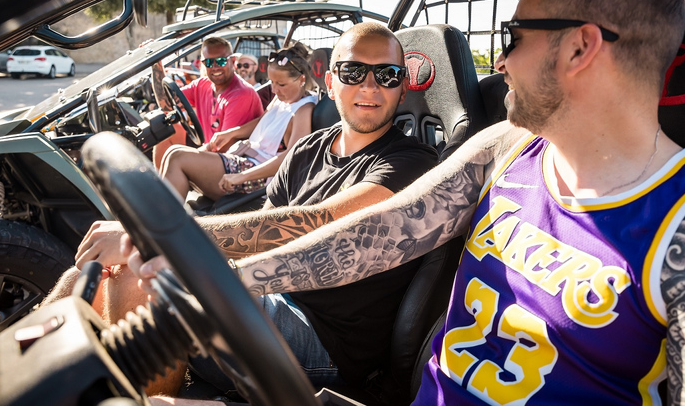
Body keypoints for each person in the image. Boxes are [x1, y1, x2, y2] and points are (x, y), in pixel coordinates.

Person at [127, 0, 685, 405]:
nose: (499, 62)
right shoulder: (508, 148)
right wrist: (223, 276)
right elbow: (379, 232)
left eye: (514, 37)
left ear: (579, 49)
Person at [57, 21, 439, 395]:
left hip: (324, 340)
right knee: (85, 277)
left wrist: (161, 237)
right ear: (330, 82)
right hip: (268, 292)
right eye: (353, 71)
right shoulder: (309, 149)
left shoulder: (412, 162)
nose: (369, 86)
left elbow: (321, 223)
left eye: (387, 75)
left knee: (141, 276)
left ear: (402, 89)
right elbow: (265, 234)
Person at [159, 42, 318, 200]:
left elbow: (291, 158)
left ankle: (165, 221)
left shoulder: (303, 110)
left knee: (178, 157)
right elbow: (261, 121)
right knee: (172, 152)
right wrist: (231, 133)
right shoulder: (281, 99)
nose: (274, 90)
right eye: (272, 83)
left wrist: (242, 176)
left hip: (259, 176)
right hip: (245, 159)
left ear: (301, 79)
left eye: (281, 84)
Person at [151, 37, 264, 167]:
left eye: (221, 61)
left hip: (230, 164)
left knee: (176, 157)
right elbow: (166, 104)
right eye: (209, 62)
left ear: (233, 61)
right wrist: (155, 63)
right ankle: (160, 185)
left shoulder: (241, 94)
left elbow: (221, 149)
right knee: (165, 128)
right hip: (209, 149)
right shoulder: (202, 85)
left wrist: (182, 157)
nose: (215, 67)